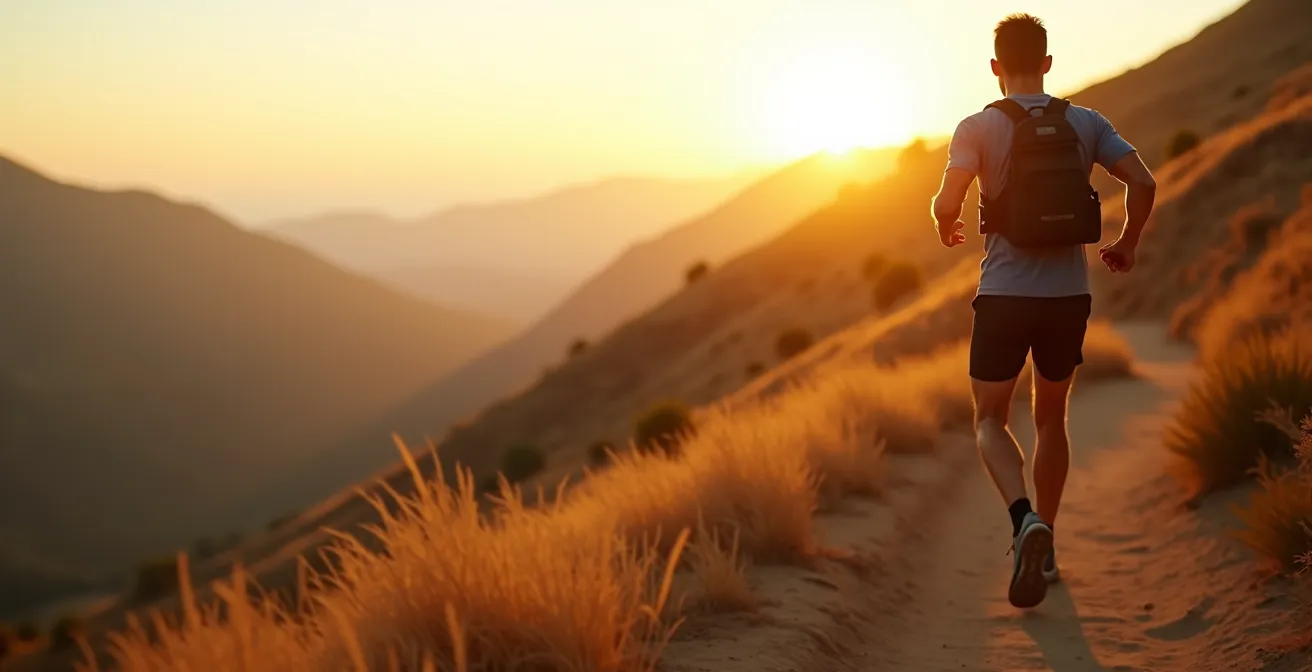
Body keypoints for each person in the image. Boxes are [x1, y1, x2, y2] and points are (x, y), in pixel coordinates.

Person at [930, 13, 1157, 609]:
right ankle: (1047, 540)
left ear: (996, 67)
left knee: (988, 419)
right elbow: (1144, 182)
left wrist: (946, 220)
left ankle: (1022, 518)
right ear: (1049, 64)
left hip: (1004, 294)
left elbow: (949, 198)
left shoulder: (977, 127)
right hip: (1067, 298)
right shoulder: (1086, 122)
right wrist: (1127, 243)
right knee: (1052, 418)